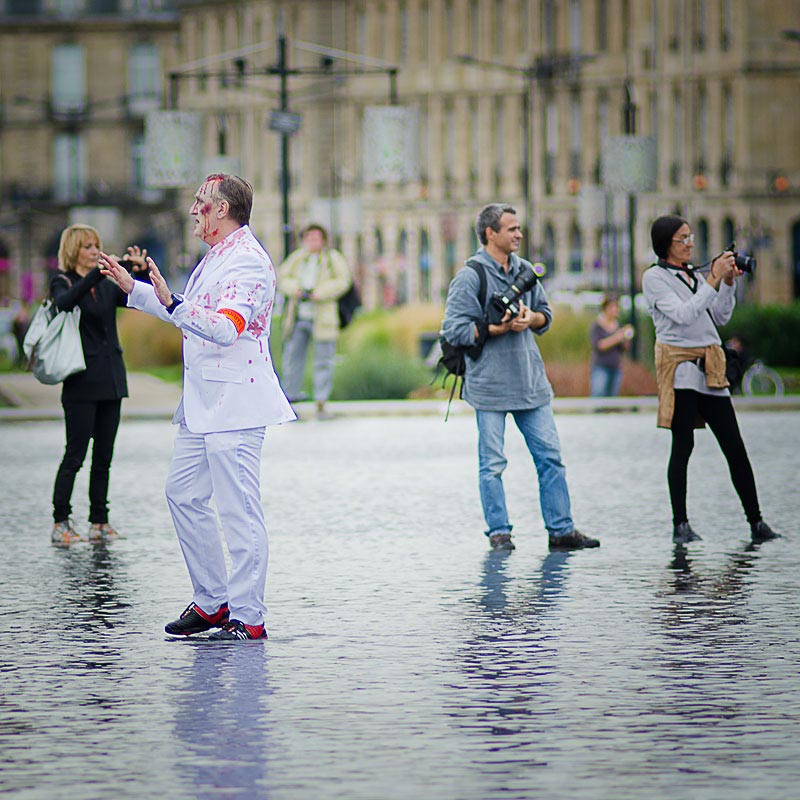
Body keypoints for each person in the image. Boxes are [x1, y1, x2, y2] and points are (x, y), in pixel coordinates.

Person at [99, 174, 295, 641]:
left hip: (236, 404)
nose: (193, 210)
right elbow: (189, 309)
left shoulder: (248, 261)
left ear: (223, 210)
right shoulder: (218, 257)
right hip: (204, 403)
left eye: (201, 203)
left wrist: (171, 300)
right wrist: (138, 290)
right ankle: (212, 601)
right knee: (183, 494)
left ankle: (248, 616)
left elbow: (227, 327)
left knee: (239, 511)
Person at [441, 203, 599, 552]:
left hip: (530, 382)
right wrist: (491, 328)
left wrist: (532, 320)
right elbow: (452, 329)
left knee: (551, 458)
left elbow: (546, 314)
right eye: (511, 229)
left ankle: (562, 530)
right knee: (492, 465)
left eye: (519, 228)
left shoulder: (525, 270)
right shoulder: (470, 276)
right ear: (490, 234)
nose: (519, 234)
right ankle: (499, 533)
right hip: (490, 386)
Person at [642, 214, 780, 545]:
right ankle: (681, 524)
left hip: (711, 369)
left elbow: (719, 316)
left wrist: (728, 282)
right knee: (683, 446)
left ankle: (757, 522)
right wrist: (711, 279)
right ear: (665, 244)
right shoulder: (655, 278)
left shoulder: (693, 275)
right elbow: (683, 314)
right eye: (683, 239)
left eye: (691, 237)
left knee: (735, 446)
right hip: (682, 370)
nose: (690, 244)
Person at [50, 224, 144, 546]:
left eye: (96, 246)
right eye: (88, 246)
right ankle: (61, 521)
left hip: (111, 379)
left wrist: (137, 271)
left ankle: (99, 521)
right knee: (75, 455)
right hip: (81, 382)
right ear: (74, 250)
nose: (94, 251)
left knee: (104, 456)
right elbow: (64, 303)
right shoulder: (63, 281)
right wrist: (98, 273)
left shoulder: (105, 285)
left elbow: (133, 297)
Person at [277, 224, 352, 419]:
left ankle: (321, 402)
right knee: (293, 358)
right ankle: (290, 399)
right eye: (309, 238)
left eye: (316, 238)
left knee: (324, 360)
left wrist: (321, 292)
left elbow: (343, 281)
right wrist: (297, 289)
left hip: (323, 317)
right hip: (298, 316)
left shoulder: (331, 258)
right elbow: (282, 277)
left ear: (323, 240)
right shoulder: (297, 258)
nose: (312, 242)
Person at [589, 293, 634, 397]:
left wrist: (626, 337)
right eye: (613, 307)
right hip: (601, 367)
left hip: (616, 367)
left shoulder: (619, 326)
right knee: (598, 396)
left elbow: (625, 348)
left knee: (613, 399)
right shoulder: (597, 326)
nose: (615, 310)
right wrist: (617, 337)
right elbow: (599, 345)